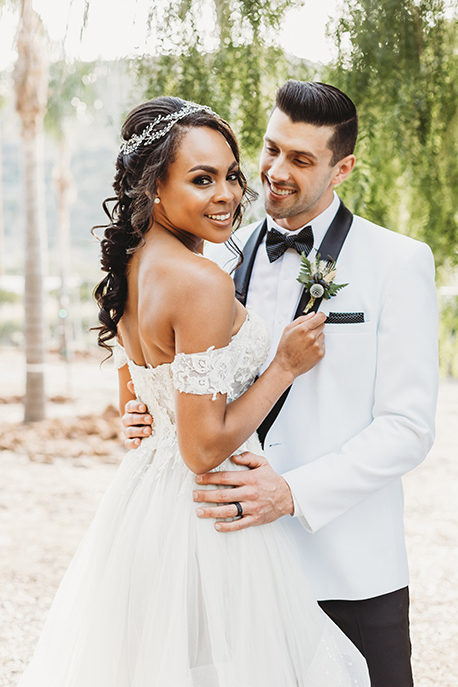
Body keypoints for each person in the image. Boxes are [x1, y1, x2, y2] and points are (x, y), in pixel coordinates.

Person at [18, 97, 369, 686]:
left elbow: (139, 383)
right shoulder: (200, 281)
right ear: (153, 186)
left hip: (142, 508)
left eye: (232, 175)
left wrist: (140, 413)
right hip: (205, 512)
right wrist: (282, 365)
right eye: (201, 179)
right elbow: (202, 450)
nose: (228, 194)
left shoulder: (131, 265)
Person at [123, 81, 439, 687]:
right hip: (231, 569)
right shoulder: (213, 255)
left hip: (347, 569)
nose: (274, 172)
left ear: (342, 167)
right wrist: (144, 410)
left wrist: (290, 493)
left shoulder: (398, 262)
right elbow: (183, 376)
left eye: (301, 159)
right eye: (270, 150)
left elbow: (408, 429)